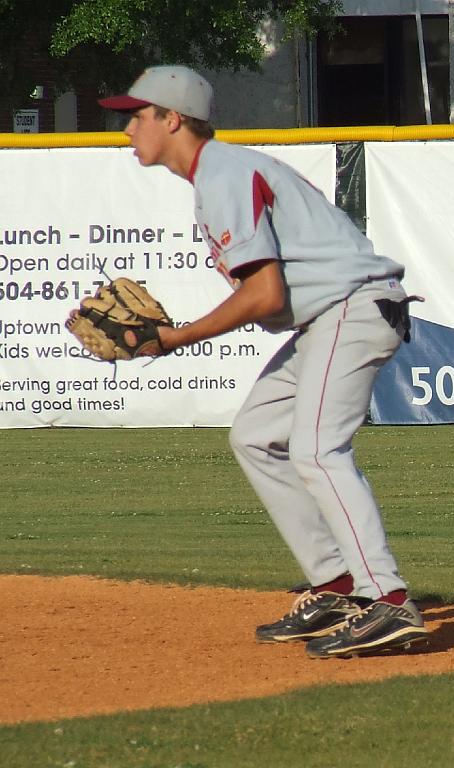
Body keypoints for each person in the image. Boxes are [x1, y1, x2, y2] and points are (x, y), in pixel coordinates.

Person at [96, 65, 429, 658]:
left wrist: (177, 338)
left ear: (171, 119)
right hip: (330, 317)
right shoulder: (219, 174)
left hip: (350, 310)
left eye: (136, 114)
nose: (127, 128)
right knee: (255, 435)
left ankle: (390, 601)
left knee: (318, 450)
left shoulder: (222, 174)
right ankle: (337, 582)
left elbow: (265, 296)